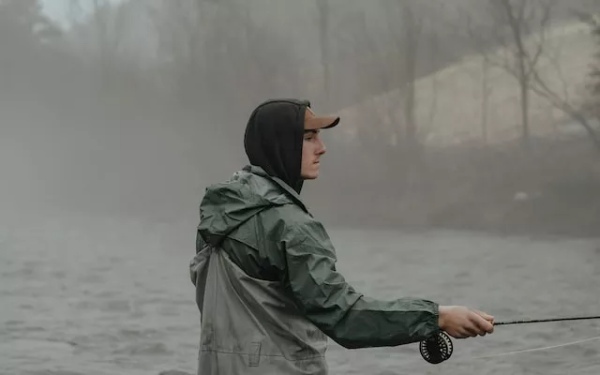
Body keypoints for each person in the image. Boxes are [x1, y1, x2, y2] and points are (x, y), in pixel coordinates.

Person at [189, 98, 494, 375]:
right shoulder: (288, 225)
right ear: (281, 145)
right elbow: (344, 317)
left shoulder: (219, 215)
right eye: (309, 138)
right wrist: (436, 317)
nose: (322, 148)